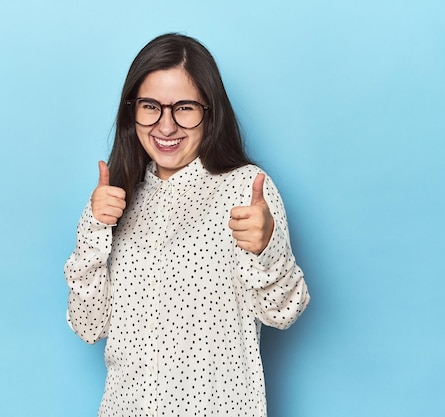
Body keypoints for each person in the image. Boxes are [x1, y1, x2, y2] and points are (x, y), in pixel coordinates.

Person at [64, 33, 310, 417]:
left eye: (184, 108)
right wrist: (92, 229)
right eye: (150, 106)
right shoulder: (118, 197)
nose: (166, 126)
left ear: (210, 112)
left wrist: (267, 249)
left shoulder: (245, 189)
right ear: (132, 111)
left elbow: (284, 311)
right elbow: (88, 325)